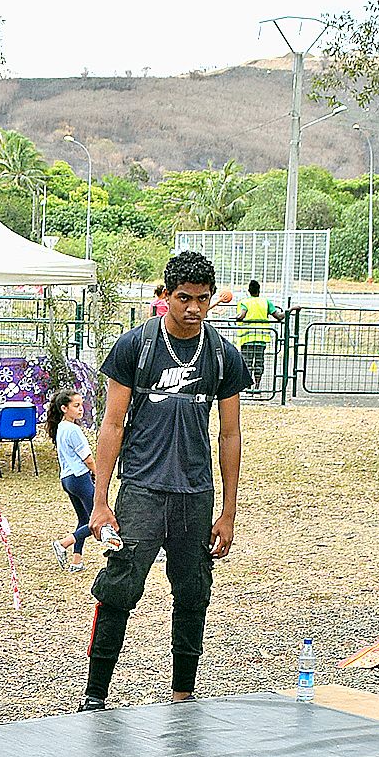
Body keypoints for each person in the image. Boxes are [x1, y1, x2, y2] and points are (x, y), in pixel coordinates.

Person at [79, 250, 248, 710]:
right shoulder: (136, 346)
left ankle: (183, 696)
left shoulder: (222, 355)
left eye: (204, 299)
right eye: (184, 298)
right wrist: (100, 502)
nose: (194, 308)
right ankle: (94, 697)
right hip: (141, 491)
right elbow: (111, 425)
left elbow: (229, 434)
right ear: (165, 297)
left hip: (195, 495)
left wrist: (228, 511)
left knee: (194, 592)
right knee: (119, 588)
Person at [49, 390, 94, 570]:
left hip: (67, 480)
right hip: (80, 478)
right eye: (76, 406)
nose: (80, 409)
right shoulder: (74, 430)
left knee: (84, 519)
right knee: (98, 521)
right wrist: (98, 475)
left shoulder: (61, 428)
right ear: (64, 408)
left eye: (81, 405)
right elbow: (88, 459)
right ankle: (63, 544)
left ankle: (76, 561)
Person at [236, 278, 279, 391]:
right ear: (259, 290)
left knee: (247, 363)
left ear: (248, 291)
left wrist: (236, 318)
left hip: (247, 339)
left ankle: (248, 386)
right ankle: (257, 386)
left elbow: (241, 316)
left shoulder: (245, 302)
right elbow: (278, 316)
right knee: (259, 363)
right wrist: (290, 310)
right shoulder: (266, 302)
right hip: (261, 339)